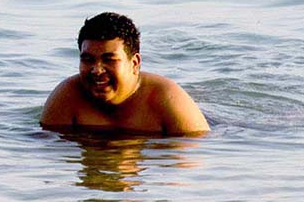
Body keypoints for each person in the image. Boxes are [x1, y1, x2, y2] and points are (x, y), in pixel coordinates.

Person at [40, 12, 209, 136]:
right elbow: (47, 150)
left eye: (109, 59)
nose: (97, 70)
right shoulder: (67, 97)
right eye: (88, 59)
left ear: (134, 63)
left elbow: (196, 158)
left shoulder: (168, 100)